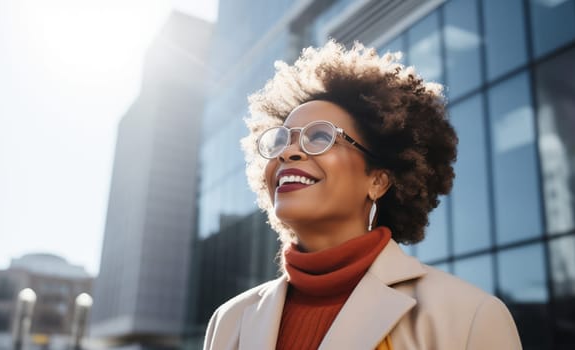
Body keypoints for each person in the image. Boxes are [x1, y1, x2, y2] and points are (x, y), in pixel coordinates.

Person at [203, 41, 522, 350]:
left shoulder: (468, 318)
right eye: (282, 140)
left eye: (320, 137)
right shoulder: (230, 321)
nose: (289, 153)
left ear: (379, 181)